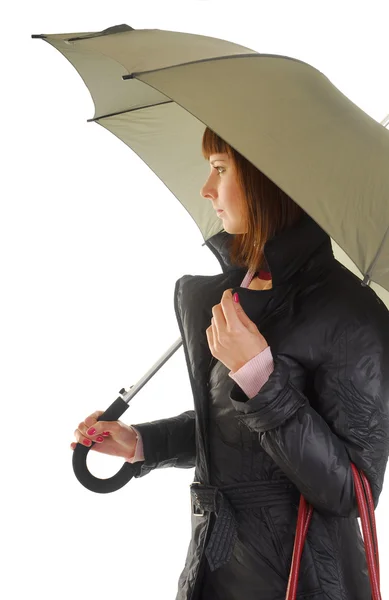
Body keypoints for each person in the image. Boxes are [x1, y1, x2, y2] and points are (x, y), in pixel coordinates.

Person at [71, 127, 389, 599]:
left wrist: (263, 380)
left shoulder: (350, 315)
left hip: (301, 581)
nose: (206, 189)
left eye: (220, 169)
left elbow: (352, 489)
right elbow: (238, 435)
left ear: (268, 179)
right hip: (215, 566)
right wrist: (143, 443)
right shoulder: (239, 289)